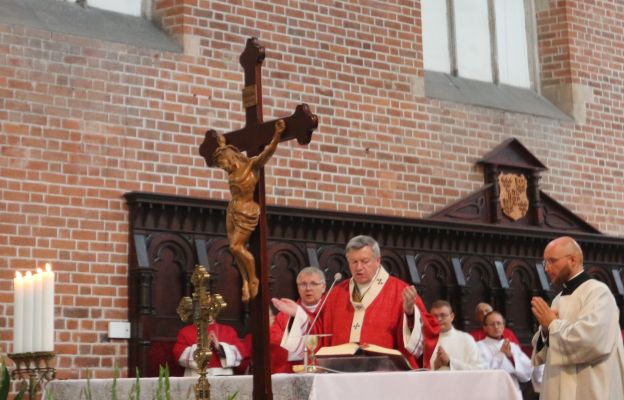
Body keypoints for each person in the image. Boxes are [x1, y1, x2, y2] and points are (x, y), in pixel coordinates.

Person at [272, 235, 439, 369]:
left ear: (377, 260)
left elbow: (426, 338)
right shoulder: (337, 293)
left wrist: (410, 314)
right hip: (340, 375)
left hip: (384, 377)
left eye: (364, 261)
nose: (359, 267)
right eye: (353, 262)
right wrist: (299, 315)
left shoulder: (399, 291)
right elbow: (320, 332)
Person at [531, 236, 624, 399]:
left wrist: (552, 324)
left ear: (572, 260)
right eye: (545, 262)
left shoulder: (598, 293)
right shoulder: (558, 298)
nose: (546, 268)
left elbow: (592, 341)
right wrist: (545, 331)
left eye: (551, 261)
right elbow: (546, 353)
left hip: (589, 387)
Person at [213, 119, 286, 302]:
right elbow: (224, 151)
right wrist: (221, 144)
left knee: (235, 246)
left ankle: (253, 279)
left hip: (247, 210)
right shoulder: (231, 172)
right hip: (232, 210)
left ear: (229, 158)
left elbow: (268, 152)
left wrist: (277, 134)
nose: (223, 167)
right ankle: (245, 282)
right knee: (235, 250)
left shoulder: (251, 166)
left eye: (222, 163)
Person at [270, 266, 326, 373]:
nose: (308, 288)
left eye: (314, 284)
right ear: (298, 287)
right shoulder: (285, 315)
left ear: (323, 287)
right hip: (292, 372)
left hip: (325, 373)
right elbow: (275, 341)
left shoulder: (330, 311)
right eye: (303, 284)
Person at [478, 311, 532, 396]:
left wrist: (511, 357)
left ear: (503, 326)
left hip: (512, 390)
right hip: (491, 392)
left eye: (499, 323)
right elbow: (482, 372)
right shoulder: (479, 346)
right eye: (492, 324)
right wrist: (500, 355)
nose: (496, 327)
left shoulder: (512, 346)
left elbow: (527, 372)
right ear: (485, 328)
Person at [172, 321, 248, 377]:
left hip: (224, 375)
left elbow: (241, 352)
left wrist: (220, 347)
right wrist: (204, 346)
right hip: (195, 376)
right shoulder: (185, 331)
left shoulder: (228, 331)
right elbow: (178, 354)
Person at [429, 300, 482, 371]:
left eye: (443, 315)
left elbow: (478, 369)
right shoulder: (425, 340)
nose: (439, 319)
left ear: (452, 317)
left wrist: (449, 362)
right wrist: (435, 366)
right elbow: (417, 373)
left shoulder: (466, 339)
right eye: (435, 316)